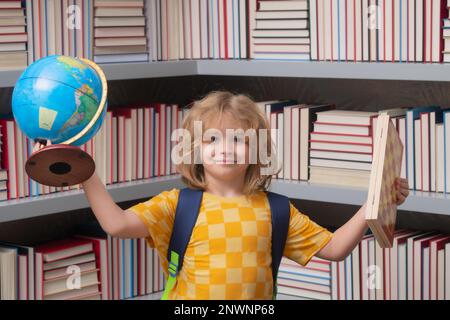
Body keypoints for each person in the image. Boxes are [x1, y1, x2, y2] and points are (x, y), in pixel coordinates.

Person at [33, 91, 410, 300]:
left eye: (239, 139)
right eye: (212, 139)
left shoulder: (276, 209)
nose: (225, 148)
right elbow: (116, 225)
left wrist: (376, 203)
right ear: (194, 149)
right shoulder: (176, 205)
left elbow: (334, 249)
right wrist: (85, 172)